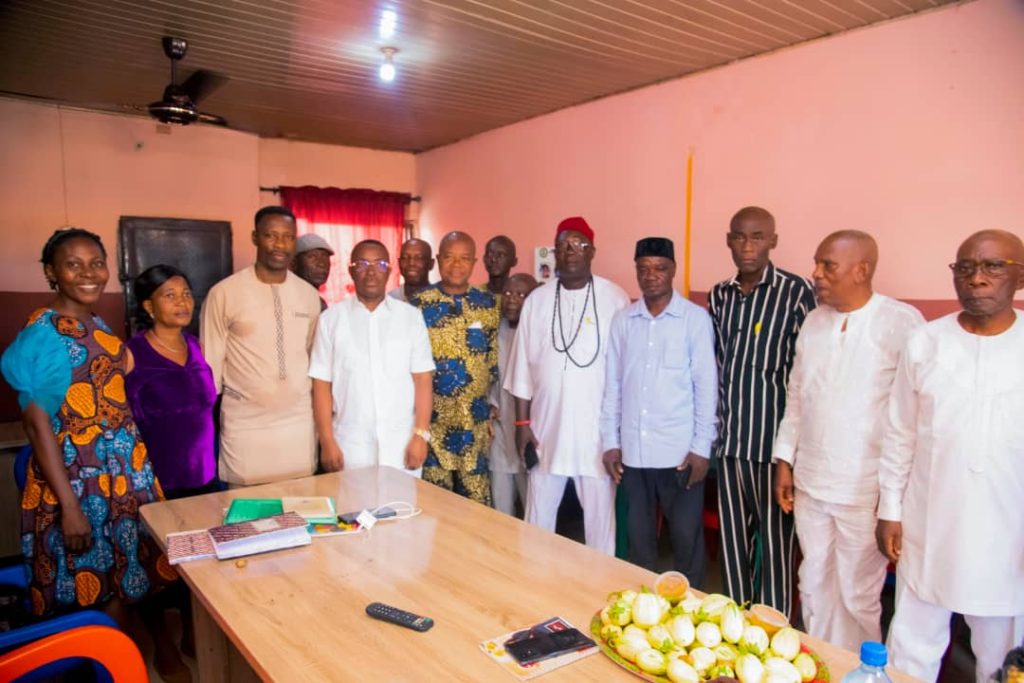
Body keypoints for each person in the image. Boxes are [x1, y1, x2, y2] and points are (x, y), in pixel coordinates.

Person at [0, 228, 186, 679]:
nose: (88, 273)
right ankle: (107, 666)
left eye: (96, 263)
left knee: (135, 570)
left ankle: (137, 657)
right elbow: (37, 423)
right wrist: (69, 507)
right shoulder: (44, 333)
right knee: (95, 584)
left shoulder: (98, 324)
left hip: (121, 474)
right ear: (51, 273)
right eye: (73, 264)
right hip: (80, 481)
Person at [877, 230, 1024, 682]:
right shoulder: (925, 342)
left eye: (993, 266)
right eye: (965, 268)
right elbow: (899, 432)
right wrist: (890, 509)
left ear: (1020, 276)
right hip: (930, 521)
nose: (977, 278)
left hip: (1009, 531)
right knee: (911, 646)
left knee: (1000, 658)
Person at [772, 231, 924, 651]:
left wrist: (892, 502)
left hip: (864, 489)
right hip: (811, 481)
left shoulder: (902, 323)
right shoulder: (814, 321)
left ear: (862, 270)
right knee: (813, 581)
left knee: (858, 592)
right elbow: (797, 395)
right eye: (817, 263)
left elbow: (909, 418)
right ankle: (818, 662)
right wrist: (784, 460)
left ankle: (859, 670)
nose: (816, 273)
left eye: (828, 266)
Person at [708, 206, 815, 614]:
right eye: (740, 237)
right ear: (728, 241)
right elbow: (717, 365)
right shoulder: (720, 295)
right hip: (730, 444)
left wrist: (792, 453)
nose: (748, 246)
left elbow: (805, 374)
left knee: (775, 548)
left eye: (757, 237)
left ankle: (773, 627)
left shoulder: (796, 292)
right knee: (733, 545)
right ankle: (736, 623)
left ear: (773, 240)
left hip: (774, 447)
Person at [506, 216, 630, 554]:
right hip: (546, 430)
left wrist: (617, 436)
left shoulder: (615, 298)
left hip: (597, 435)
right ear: (554, 253)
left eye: (578, 244)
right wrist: (521, 424)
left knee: (600, 526)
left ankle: (601, 581)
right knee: (537, 519)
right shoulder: (537, 300)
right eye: (562, 245)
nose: (570, 251)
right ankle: (533, 579)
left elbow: (625, 373)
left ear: (592, 251)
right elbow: (522, 368)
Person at [601, 237, 718, 585]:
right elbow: (613, 386)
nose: (651, 276)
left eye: (660, 268)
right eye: (644, 268)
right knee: (639, 544)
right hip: (633, 455)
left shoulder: (694, 320)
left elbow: (706, 387)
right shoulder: (624, 321)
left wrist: (701, 448)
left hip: (679, 454)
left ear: (673, 271)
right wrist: (610, 442)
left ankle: (691, 608)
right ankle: (641, 608)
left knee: (686, 540)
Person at [201, 206, 321, 486]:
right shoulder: (224, 293)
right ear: (255, 238)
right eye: (271, 235)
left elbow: (314, 359)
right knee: (244, 507)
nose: (280, 244)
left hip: (299, 423)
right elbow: (210, 366)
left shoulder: (308, 295)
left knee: (301, 503)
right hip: (246, 424)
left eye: (288, 237)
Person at [309, 240, 435, 474]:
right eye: (362, 264)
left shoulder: (411, 318)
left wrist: (420, 435)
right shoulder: (330, 320)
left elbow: (423, 380)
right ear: (350, 271)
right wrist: (326, 440)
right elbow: (321, 384)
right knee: (350, 499)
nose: (371, 272)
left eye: (379, 264)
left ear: (389, 270)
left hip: (402, 445)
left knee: (403, 499)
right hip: (349, 445)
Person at [410, 232, 500, 504]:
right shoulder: (416, 305)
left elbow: (492, 359)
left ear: (474, 263)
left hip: (474, 425)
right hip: (431, 426)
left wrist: (491, 406)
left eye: (464, 258)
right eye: (449, 257)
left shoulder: (488, 304)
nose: (456, 265)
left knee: (476, 508)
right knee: (434, 508)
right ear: (438, 260)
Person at [125, 264, 218, 499]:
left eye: (186, 294)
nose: (182, 302)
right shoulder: (132, 353)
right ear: (149, 306)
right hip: (158, 482)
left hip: (205, 478)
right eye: (170, 295)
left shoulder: (196, 347)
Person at [489, 272, 539, 516]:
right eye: (508, 293)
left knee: (535, 509)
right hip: (500, 432)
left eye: (521, 295)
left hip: (533, 433)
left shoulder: (541, 335)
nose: (511, 299)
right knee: (500, 509)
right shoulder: (493, 331)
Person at [291, 233, 334, 311]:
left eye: (325, 257)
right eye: (312, 256)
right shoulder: (285, 301)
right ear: (294, 263)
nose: (321, 264)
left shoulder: (320, 304)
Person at [389, 238, 435, 302]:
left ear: (431, 264)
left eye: (419, 258)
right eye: (405, 257)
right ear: (399, 262)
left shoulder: (442, 302)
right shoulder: (389, 300)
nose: (411, 263)